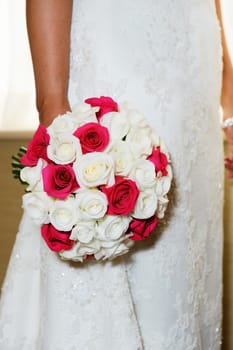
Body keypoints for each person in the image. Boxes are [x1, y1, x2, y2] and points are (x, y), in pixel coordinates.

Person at [0, 0, 233, 349]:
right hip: (123, 81)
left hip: (196, 89)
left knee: (187, 286)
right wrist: (54, 112)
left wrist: (228, 89)